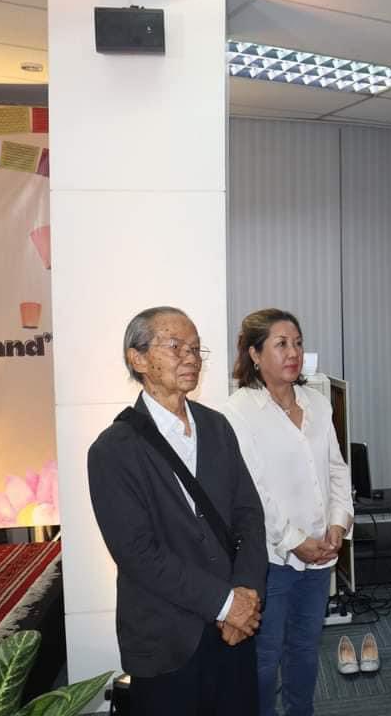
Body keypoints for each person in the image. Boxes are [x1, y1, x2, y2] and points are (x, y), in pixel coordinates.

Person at [88, 306, 267, 716]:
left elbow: (249, 516)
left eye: (196, 349)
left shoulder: (217, 427)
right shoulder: (112, 450)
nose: (190, 358)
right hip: (167, 638)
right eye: (175, 347)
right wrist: (225, 603)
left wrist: (248, 592)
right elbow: (137, 553)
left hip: (234, 631)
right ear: (137, 359)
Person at [221, 309, 354, 716]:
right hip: (272, 559)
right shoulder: (238, 411)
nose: (293, 352)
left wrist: (337, 525)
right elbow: (253, 491)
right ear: (255, 354)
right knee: (264, 659)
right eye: (281, 344)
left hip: (319, 554)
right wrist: (297, 542)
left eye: (297, 342)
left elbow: (336, 467)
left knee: (304, 651)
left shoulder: (316, 401)